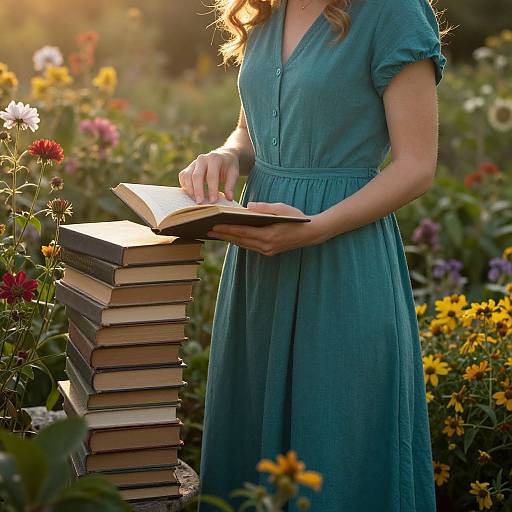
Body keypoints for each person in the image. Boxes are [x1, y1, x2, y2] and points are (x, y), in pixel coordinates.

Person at [179, 0, 449, 510]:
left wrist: (314, 229)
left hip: (343, 261)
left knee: (336, 448)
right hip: (260, 265)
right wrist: (227, 155)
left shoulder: (394, 12)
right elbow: (251, 129)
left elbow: (417, 166)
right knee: (251, 447)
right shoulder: (264, 9)